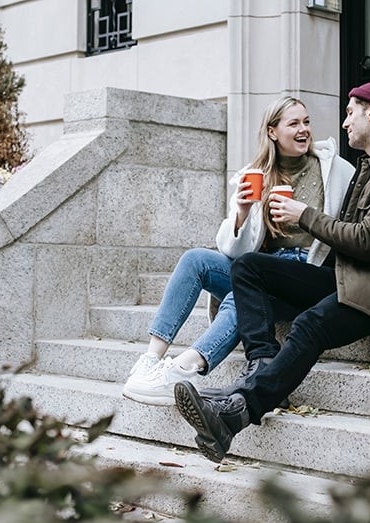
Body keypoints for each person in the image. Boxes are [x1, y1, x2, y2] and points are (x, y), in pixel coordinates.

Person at [173, 81, 370, 462]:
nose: (344, 123)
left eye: (350, 113)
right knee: (250, 267)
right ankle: (263, 366)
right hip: (351, 277)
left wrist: (305, 216)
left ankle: (234, 414)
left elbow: (368, 242)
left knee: (309, 325)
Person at [121, 96, 355, 406]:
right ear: (272, 132)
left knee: (241, 294)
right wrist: (242, 213)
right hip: (259, 267)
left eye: (306, 122)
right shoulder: (255, 174)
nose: (304, 130)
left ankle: (186, 368)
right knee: (196, 259)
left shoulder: (335, 170)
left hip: (304, 272)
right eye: (294, 123)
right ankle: (151, 360)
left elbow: (348, 232)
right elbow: (232, 249)